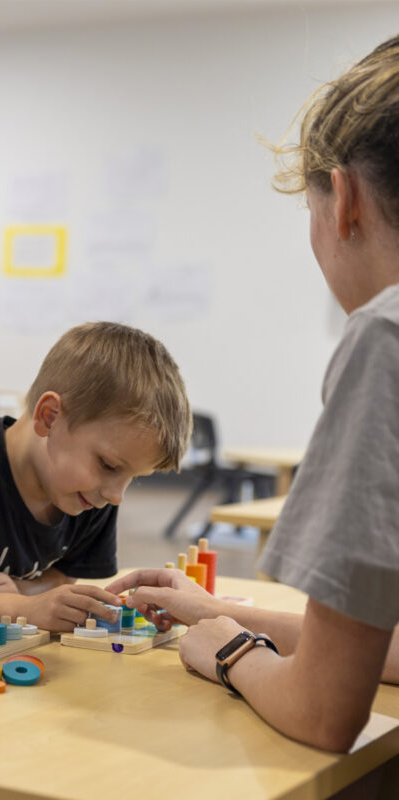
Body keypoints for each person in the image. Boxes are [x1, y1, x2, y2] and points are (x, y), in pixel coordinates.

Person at [110, 34, 399, 753]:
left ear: (344, 200)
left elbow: (324, 713)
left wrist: (231, 652)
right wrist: (226, 610)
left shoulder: (383, 339)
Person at [0, 321, 192, 632]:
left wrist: (21, 592)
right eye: (109, 465)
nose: (116, 495)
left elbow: (63, 576)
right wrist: (21, 609)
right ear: (49, 417)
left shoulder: (90, 494)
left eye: (133, 477)